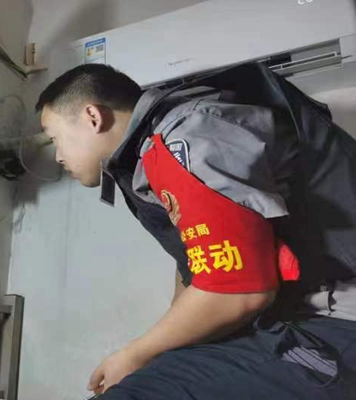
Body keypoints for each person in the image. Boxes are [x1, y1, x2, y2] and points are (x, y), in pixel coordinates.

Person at [35, 62, 356, 399]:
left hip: (333, 318)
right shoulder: (155, 149)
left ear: (92, 117)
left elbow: (239, 292)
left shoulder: (186, 136)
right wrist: (161, 348)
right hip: (303, 315)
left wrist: (138, 352)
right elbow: (197, 267)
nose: (57, 156)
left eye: (55, 138)